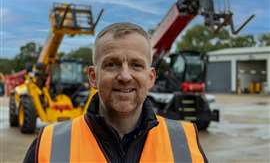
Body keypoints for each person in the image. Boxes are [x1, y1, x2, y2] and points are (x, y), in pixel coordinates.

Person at [24, 22, 208, 163]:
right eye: (111, 64)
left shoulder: (185, 141)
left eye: (136, 65)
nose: (125, 76)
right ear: (93, 76)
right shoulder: (49, 145)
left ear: (151, 77)